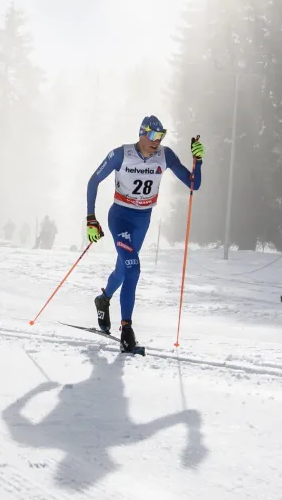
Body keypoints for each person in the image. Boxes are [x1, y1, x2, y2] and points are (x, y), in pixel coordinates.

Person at [85, 115, 204, 352]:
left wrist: (197, 160)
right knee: (133, 268)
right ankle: (127, 330)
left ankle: (104, 299)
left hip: (142, 222)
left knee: (123, 268)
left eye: (160, 136)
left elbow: (194, 184)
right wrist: (91, 218)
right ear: (141, 133)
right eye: (152, 136)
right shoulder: (121, 154)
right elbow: (93, 181)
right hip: (120, 218)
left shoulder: (165, 155)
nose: (156, 141)